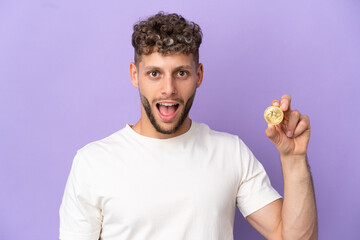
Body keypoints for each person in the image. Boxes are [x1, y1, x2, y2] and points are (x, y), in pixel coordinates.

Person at [59, 12, 318, 240]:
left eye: (181, 73)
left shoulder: (230, 152)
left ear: (199, 75)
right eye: (154, 73)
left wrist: (294, 158)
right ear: (134, 75)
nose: (168, 89)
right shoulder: (93, 163)